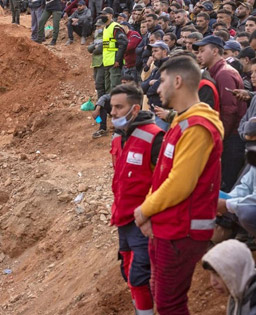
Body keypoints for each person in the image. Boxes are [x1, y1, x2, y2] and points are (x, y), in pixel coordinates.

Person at [134, 56, 224, 314]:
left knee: (169, 304)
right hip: (169, 226)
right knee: (159, 293)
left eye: (161, 81)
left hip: (181, 231)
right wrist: (150, 211)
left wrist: (145, 209)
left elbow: (180, 184)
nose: (157, 88)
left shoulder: (197, 127)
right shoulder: (181, 122)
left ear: (177, 81)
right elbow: (163, 174)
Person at [109, 84, 163, 315]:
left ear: (135, 108)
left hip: (145, 222)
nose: (113, 113)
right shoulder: (117, 139)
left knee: (140, 276)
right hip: (123, 218)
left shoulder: (155, 138)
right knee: (128, 270)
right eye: (112, 107)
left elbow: (165, 183)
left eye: (119, 107)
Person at [194, 36, 247, 193]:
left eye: (203, 51)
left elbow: (229, 110)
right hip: (227, 135)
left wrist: (219, 137)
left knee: (226, 183)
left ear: (215, 51)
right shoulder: (214, 72)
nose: (199, 55)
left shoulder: (224, 73)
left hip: (231, 137)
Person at [202, 240, 256, 315]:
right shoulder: (239, 294)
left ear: (236, 271)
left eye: (218, 274)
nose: (213, 282)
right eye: (211, 274)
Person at [100, 14, 129, 93]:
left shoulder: (115, 27)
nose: (102, 16)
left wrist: (118, 60)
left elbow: (123, 43)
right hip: (107, 62)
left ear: (110, 15)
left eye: (104, 13)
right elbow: (106, 47)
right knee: (108, 88)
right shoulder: (105, 28)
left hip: (114, 63)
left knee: (115, 88)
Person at [88, 21, 105, 98]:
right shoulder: (97, 37)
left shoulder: (106, 36)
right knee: (96, 82)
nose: (97, 28)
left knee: (100, 83)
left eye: (99, 26)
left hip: (102, 62)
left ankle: (101, 102)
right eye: (96, 27)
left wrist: (95, 49)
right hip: (95, 62)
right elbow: (89, 48)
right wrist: (94, 47)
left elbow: (100, 49)